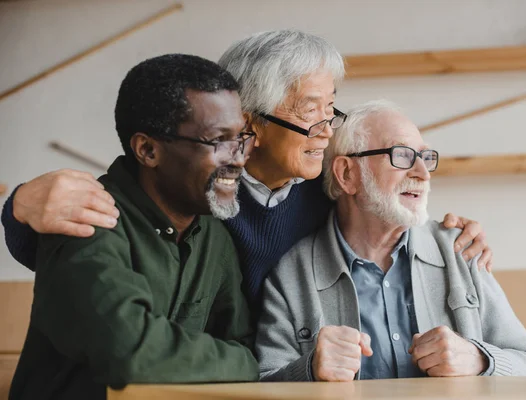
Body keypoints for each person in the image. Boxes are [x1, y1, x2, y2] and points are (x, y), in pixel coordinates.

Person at [2, 30, 493, 310]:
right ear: (250, 124)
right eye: (308, 110)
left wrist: (454, 234)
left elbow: (393, 224)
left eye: (332, 108)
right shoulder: (191, 189)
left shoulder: (328, 190)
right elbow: (65, 245)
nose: (326, 129)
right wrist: (21, 203)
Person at [9, 54, 259, 400]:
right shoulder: (88, 217)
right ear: (147, 150)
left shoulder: (214, 234)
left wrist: (240, 360)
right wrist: (238, 362)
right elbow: (131, 353)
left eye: (241, 138)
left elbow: (245, 348)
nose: (238, 157)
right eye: (218, 140)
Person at [255, 100, 526, 382]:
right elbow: (263, 382)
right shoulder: (291, 273)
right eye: (402, 155)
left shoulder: (462, 249)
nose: (422, 173)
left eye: (425, 157)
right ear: (347, 174)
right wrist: (308, 370)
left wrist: (480, 360)